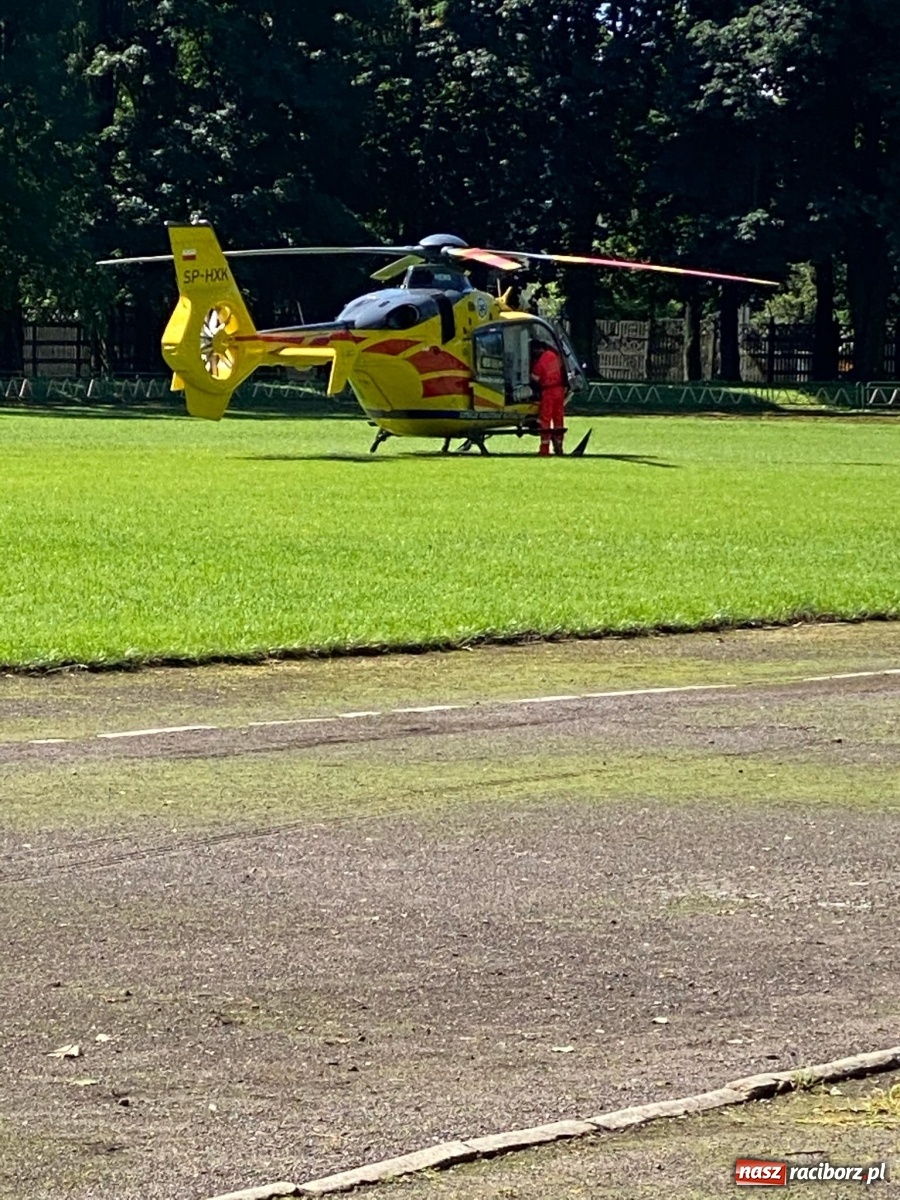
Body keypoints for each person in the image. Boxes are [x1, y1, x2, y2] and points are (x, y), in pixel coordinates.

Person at [530, 339, 567, 455]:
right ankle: (559, 445)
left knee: (545, 419)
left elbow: (535, 378)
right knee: (558, 418)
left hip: (548, 391)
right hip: (559, 390)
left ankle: (544, 448)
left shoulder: (540, 362)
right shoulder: (553, 355)